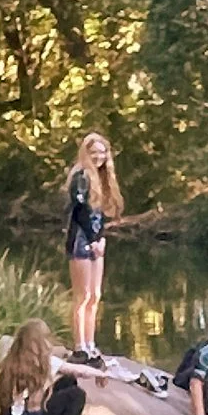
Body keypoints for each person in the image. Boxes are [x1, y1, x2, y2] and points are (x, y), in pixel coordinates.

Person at [0, 318, 88, 415]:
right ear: (34, 343)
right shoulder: (25, 368)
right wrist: (106, 374)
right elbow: (78, 370)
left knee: (67, 380)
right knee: (76, 395)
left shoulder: (16, 359)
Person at [65, 133, 122, 361]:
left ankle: (90, 342)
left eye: (102, 151)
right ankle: (80, 346)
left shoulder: (102, 178)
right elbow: (81, 214)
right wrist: (92, 239)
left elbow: (100, 215)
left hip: (97, 241)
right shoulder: (81, 177)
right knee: (82, 295)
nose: (99, 156)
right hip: (80, 240)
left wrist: (102, 238)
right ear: (85, 154)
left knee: (95, 295)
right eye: (94, 152)